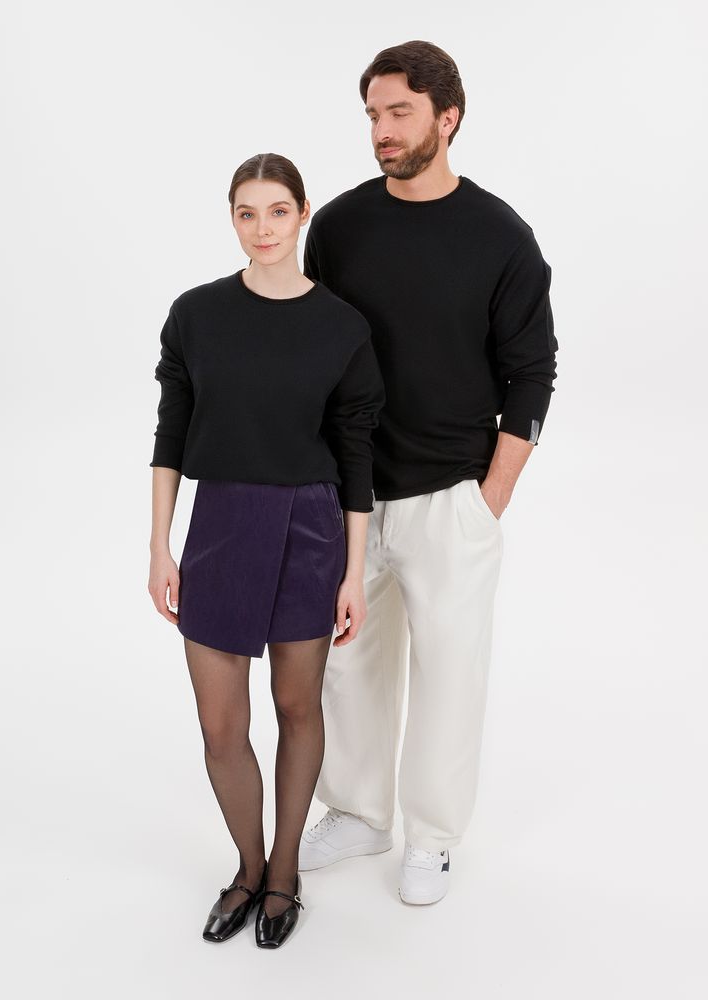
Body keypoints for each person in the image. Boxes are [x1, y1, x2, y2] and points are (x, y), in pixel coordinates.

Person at [299, 40, 559, 904]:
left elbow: (532, 371)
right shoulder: (338, 227)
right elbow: (313, 350)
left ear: (448, 118)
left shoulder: (500, 237)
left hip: (452, 495)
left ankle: (434, 838)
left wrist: (492, 497)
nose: (381, 129)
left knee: (450, 673)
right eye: (373, 113)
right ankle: (359, 813)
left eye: (399, 112)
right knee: (349, 666)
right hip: (351, 494)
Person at [147, 153, 386, 947]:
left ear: (302, 213)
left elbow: (356, 456)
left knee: (296, 706)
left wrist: (353, 572)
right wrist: (160, 547)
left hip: (311, 526)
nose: (263, 228)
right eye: (246, 213)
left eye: (278, 211)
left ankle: (285, 872)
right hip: (218, 525)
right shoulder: (196, 315)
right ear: (232, 219)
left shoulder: (342, 326)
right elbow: (170, 436)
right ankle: (248, 868)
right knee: (221, 725)